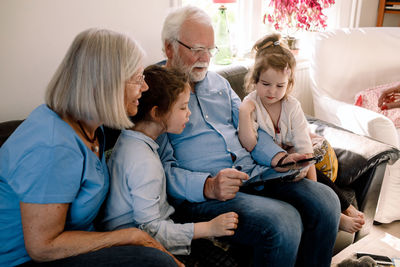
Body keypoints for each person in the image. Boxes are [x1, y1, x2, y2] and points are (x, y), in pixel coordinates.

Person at [158, 5, 341, 267]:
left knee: (326, 201)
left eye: (210, 50)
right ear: (169, 48)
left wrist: (278, 157)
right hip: (206, 195)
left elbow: (252, 129)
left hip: (255, 174)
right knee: (283, 221)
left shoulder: (219, 84)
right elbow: (161, 169)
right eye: (197, 49)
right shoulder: (156, 92)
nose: (205, 58)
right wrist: (208, 186)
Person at [0, 28, 180, 267]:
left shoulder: (92, 126)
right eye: (138, 79)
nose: (145, 87)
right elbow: (42, 247)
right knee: (155, 262)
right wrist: (128, 236)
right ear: (107, 84)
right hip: (25, 260)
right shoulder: (52, 147)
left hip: (71, 244)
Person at [101, 65, 238, 256]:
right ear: (156, 113)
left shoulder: (129, 139)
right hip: (134, 247)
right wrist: (208, 228)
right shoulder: (144, 162)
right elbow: (150, 231)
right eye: (183, 107)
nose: (189, 113)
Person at [238, 33, 365, 234]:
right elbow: (249, 143)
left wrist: (312, 185)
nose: (272, 91)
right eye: (265, 84)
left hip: (297, 157)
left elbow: (303, 144)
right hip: (267, 165)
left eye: (280, 86)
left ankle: (336, 208)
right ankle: (339, 212)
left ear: (289, 84)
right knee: (298, 172)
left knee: (312, 171)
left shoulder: (292, 106)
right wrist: (244, 112)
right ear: (255, 81)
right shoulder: (251, 104)